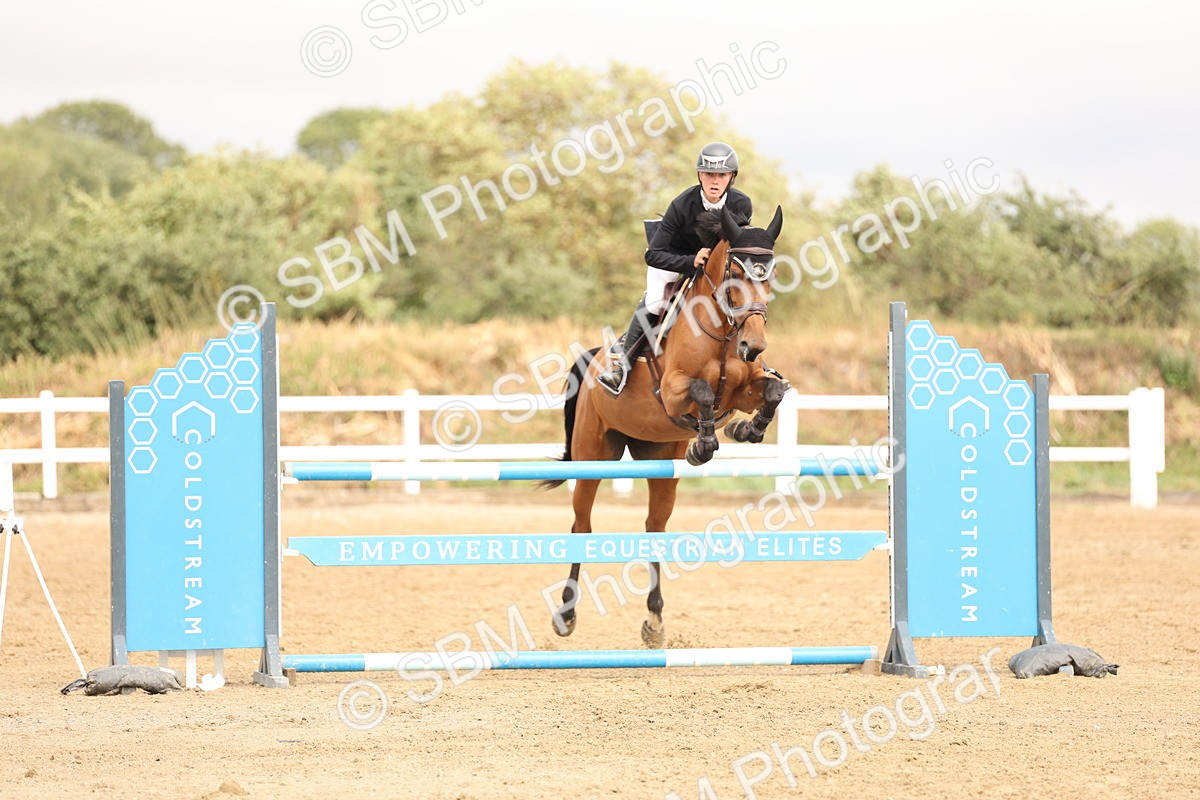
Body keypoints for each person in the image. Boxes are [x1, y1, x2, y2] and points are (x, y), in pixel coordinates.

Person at [596, 141, 754, 393]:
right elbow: (653, 254)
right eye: (708, 174)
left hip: (713, 268)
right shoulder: (681, 205)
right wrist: (689, 261)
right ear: (699, 175)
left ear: (732, 177)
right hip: (673, 258)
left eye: (722, 175)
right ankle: (621, 367)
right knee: (657, 302)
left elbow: (737, 246)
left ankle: (756, 365)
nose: (715, 181)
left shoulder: (742, 204)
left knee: (745, 299)